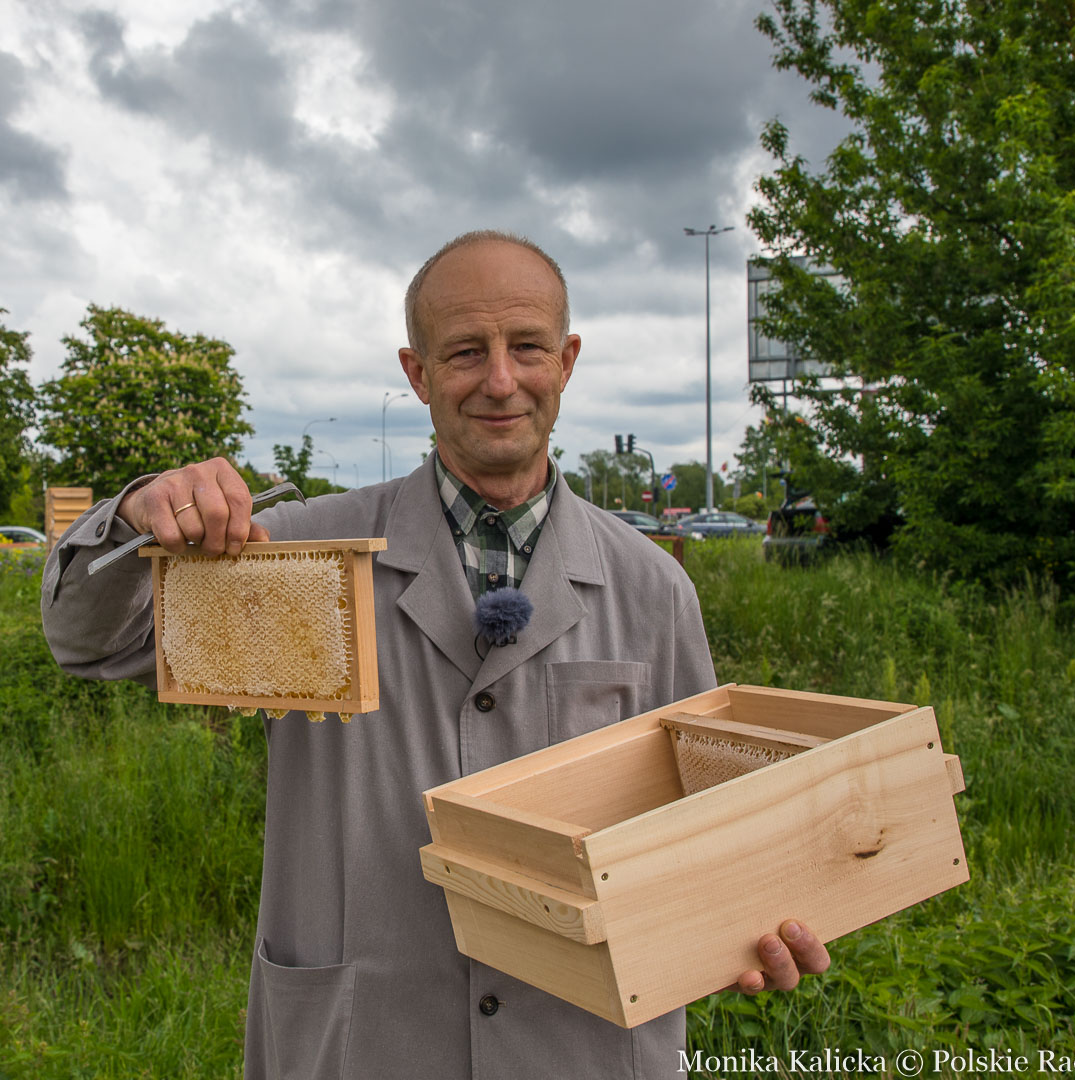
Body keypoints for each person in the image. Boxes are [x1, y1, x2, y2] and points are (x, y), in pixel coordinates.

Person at [40, 231, 829, 1079]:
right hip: (367, 1041)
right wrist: (135, 514)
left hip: (583, 1047)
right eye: (465, 352)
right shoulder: (289, 558)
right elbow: (88, 640)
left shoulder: (649, 588)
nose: (500, 380)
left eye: (526, 347)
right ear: (417, 374)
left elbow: (707, 828)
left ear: (565, 362)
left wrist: (750, 920)